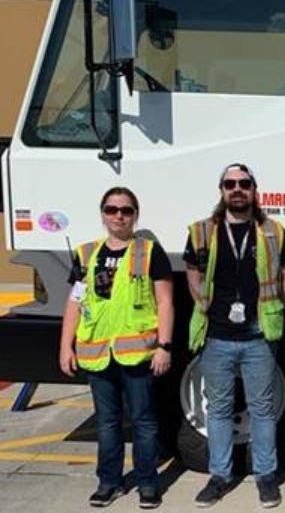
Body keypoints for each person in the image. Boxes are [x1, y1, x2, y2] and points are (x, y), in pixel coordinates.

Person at [184, 163, 285, 509]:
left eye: (244, 184)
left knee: (262, 409)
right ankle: (220, 476)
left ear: (253, 190)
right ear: (221, 190)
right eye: (230, 183)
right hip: (216, 336)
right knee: (217, 409)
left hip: (259, 337)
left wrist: (275, 302)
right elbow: (191, 270)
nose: (237, 189)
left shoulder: (273, 231)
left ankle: (266, 476)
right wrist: (204, 302)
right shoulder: (202, 231)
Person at [59, 187, 174, 509]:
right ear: (103, 214)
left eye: (125, 210)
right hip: (97, 354)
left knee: (143, 421)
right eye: (112, 210)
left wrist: (164, 345)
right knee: (107, 423)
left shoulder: (150, 252)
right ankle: (108, 482)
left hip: (137, 351)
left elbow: (165, 302)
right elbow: (74, 303)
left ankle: (148, 484)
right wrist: (65, 346)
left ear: (135, 215)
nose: (118, 216)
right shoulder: (85, 254)